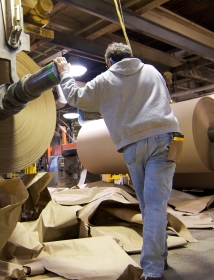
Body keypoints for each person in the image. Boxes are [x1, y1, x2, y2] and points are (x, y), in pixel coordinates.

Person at [53, 42, 181, 280]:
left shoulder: (105, 79)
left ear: (109, 61)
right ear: (129, 57)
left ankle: (153, 269)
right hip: (164, 139)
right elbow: (165, 98)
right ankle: (159, 258)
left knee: (149, 205)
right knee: (155, 205)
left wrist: (65, 73)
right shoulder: (153, 71)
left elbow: (75, 96)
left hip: (133, 145)